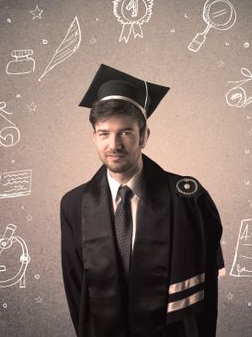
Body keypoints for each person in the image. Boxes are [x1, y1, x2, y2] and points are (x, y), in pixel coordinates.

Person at [60, 64, 225, 337]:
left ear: (144, 136)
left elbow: (204, 292)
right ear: (94, 137)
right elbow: (76, 290)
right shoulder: (73, 204)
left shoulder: (185, 198)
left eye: (125, 132)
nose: (114, 144)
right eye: (104, 133)